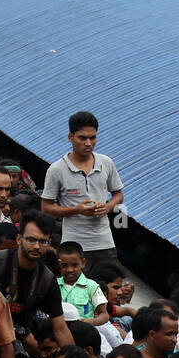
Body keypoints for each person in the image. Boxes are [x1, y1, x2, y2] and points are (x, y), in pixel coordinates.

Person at [40, 111, 124, 269]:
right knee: (77, 291)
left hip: (105, 242)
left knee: (107, 289)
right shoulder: (57, 169)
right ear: (70, 137)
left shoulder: (106, 163)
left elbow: (118, 195)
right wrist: (76, 209)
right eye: (82, 138)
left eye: (93, 138)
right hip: (73, 246)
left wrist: (107, 207)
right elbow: (46, 207)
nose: (88, 143)